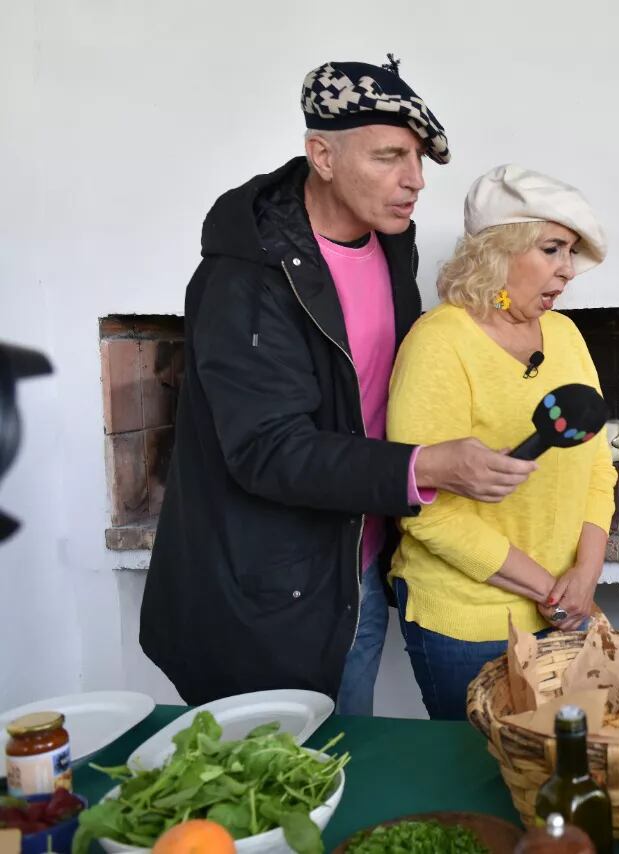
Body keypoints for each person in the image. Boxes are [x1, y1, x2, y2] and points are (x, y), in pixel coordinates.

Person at [140, 57, 537, 711]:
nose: (413, 181)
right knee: (273, 799)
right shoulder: (244, 280)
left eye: (418, 159)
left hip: (355, 569)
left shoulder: (390, 247)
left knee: (343, 773)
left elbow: (379, 393)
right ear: (321, 154)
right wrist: (429, 464)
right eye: (389, 156)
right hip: (267, 600)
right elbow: (268, 448)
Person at [386, 164, 617, 720]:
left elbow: (596, 470)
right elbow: (426, 511)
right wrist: (552, 592)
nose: (568, 271)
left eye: (572, 254)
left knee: (564, 768)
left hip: (565, 606)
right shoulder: (439, 343)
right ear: (499, 250)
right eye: (553, 250)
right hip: (467, 622)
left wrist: (584, 576)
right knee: (480, 777)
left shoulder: (564, 335)